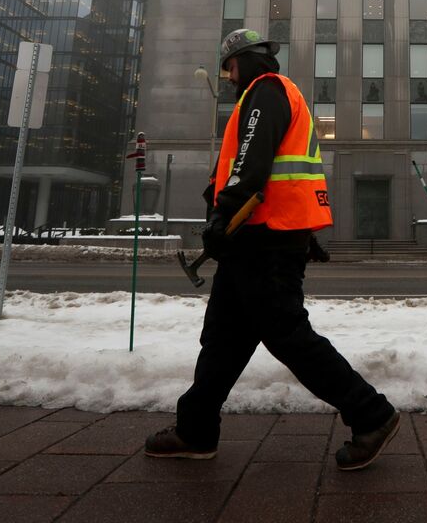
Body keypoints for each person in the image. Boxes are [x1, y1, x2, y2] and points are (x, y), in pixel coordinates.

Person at [145, 28, 399, 471]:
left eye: (228, 68)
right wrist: (302, 234)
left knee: (288, 336)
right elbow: (280, 170)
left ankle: (371, 414)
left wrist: (223, 215)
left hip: (263, 240)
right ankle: (196, 430)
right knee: (222, 339)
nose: (226, 77)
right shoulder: (270, 97)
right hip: (263, 237)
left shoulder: (266, 92)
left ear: (242, 60)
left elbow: (252, 159)